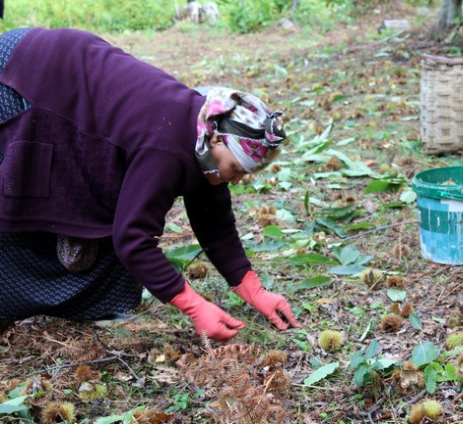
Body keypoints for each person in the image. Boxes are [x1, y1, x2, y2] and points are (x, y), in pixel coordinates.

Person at [0, 27, 301, 341]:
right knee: (22, 200)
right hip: (24, 77)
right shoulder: (167, 149)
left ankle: (80, 292)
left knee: (115, 212)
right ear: (215, 139)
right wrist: (194, 305)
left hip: (65, 66)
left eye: (244, 174)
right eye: (236, 168)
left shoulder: (201, 136)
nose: (236, 179)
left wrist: (253, 289)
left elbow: (215, 222)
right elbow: (133, 239)